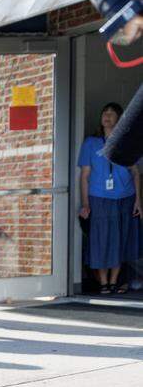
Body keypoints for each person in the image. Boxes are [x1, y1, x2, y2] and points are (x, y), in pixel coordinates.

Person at [78, 102, 142, 294]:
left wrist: (139, 200)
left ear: (120, 118)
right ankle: (103, 282)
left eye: (112, 114)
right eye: (104, 113)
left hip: (125, 196)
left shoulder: (127, 141)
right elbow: (85, 176)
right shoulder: (91, 142)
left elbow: (136, 172)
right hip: (99, 197)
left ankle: (114, 281)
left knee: (121, 239)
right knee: (101, 240)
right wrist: (85, 203)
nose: (107, 116)